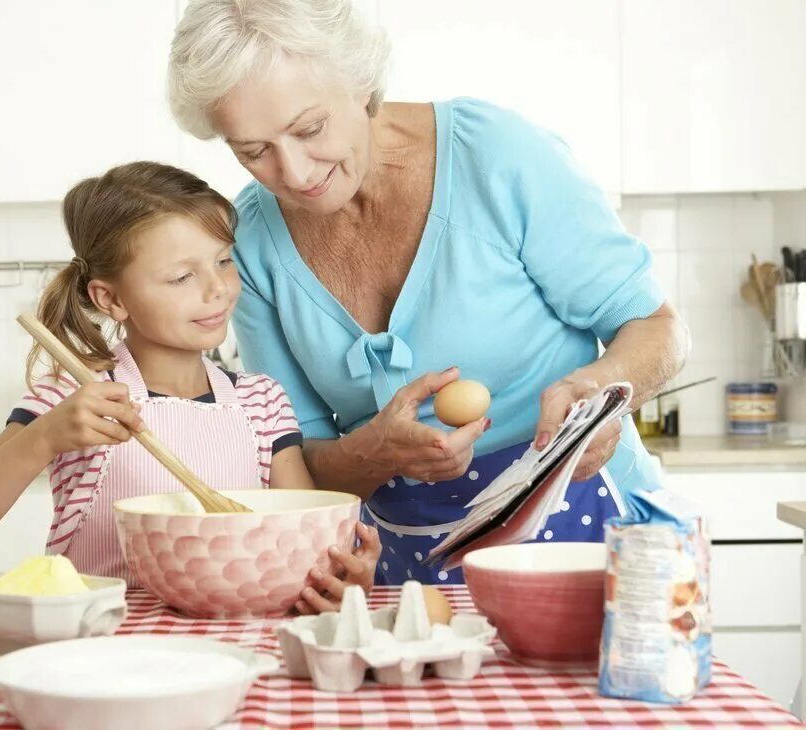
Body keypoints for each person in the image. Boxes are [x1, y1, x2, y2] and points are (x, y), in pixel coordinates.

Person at [168, 0, 690, 585]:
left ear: (361, 82)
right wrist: (375, 450)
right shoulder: (250, 242)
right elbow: (296, 465)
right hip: (405, 564)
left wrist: (596, 392)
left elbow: (658, 327)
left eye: (310, 128)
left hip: (593, 531)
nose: (292, 172)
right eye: (253, 151)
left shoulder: (496, 156)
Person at [0, 161, 380, 613]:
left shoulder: (261, 403)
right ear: (112, 299)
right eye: (182, 277)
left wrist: (342, 577)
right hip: (100, 644)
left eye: (224, 261)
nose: (217, 289)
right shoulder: (76, 400)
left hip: (233, 640)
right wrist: (45, 436)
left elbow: (301, 539)